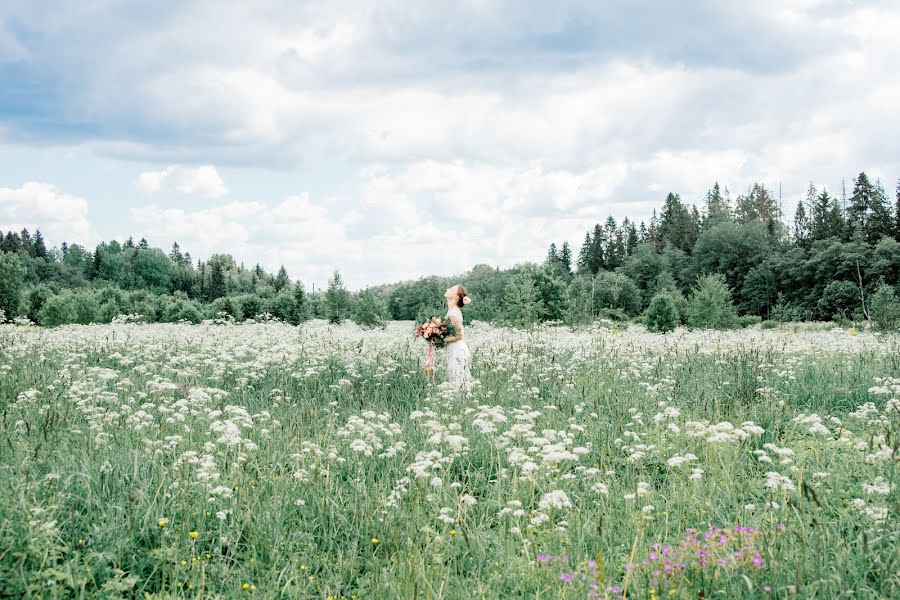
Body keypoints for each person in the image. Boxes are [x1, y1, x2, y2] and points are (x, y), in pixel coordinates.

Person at [441, 284, 473, 394]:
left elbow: (459, 336)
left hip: (458, 351)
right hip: (453, 349)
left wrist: (440, 340)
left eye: (451, 289)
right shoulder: (452, 310)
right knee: (455, 379)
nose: (447, 289)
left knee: (458, 381)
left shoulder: (453, 313)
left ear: (456, 297)